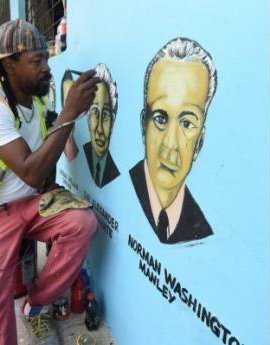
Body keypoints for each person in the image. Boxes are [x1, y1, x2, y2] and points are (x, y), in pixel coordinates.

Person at [0, 19, 99, 345]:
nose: (47, 68)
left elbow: (56, 155)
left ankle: (36, 303)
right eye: (37, 61)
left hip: (29, 203)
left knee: (81, 223)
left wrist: (67, 119)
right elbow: (30, 170)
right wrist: (70, 112)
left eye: (46, 58)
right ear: (9, 65)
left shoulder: (40, 100)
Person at [129, 37, 217, 244]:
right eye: (160, 118)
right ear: (144, 126)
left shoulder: (201, 231)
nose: (170, 145)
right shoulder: (125, 188)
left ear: (199, 143)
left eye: (187, 124)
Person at [83, 63, 120, 188]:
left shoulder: (115, 173)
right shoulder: (83, 156)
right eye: (94, 112)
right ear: (88, 118)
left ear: (113, 121)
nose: (99, 130)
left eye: (105, 115)